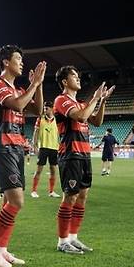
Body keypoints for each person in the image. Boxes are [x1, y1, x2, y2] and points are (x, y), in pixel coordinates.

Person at [0, 44, 45, 267]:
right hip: (3, 147)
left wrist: (38, 85)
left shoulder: (18, 89)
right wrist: (34, 83)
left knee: (9, 202)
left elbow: (38, 111)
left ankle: (2, 249)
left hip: (17, 147)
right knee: (17, 201)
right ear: (6, 62)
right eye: (18, 58)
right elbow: (17, 105)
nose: (21, 62)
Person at [53, 66, 114, 254]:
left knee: (82, 196)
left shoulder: (80, 103)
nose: (78, 78)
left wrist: (102, 101)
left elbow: (96, 121)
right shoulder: (61, 100)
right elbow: (81, 117)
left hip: (84, 154)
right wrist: (95, 97)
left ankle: (73, 237)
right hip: (70, 154)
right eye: (73, 76)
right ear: (64, 81)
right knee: (70, 196)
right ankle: (62, 241)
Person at [30, 101, 60, 198]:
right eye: (44, 108)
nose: (44, 110)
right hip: (43, 147)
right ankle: (33, 191)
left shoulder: (57, 120)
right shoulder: (40, 119)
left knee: (53, 170)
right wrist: (34, 145)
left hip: (54, 148)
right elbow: (36, 132)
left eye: (46, 108)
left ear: (52, 109)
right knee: (39, 170)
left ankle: (51, 191)